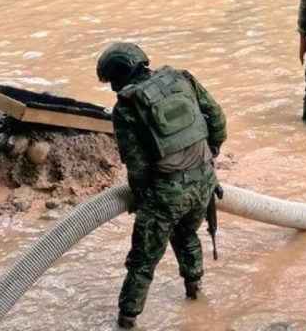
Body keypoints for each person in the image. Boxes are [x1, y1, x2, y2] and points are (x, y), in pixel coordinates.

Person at [95, 42, 227, 329]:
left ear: (118, 77)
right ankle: (195, 292)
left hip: (167, 193)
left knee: (142, 261)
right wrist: (211, 154)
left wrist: (141, 198)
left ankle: (127, 320)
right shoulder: (182, 78)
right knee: (187, 234)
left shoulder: (126, 107)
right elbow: (217, 118)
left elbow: (137, 165)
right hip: (205, 180)